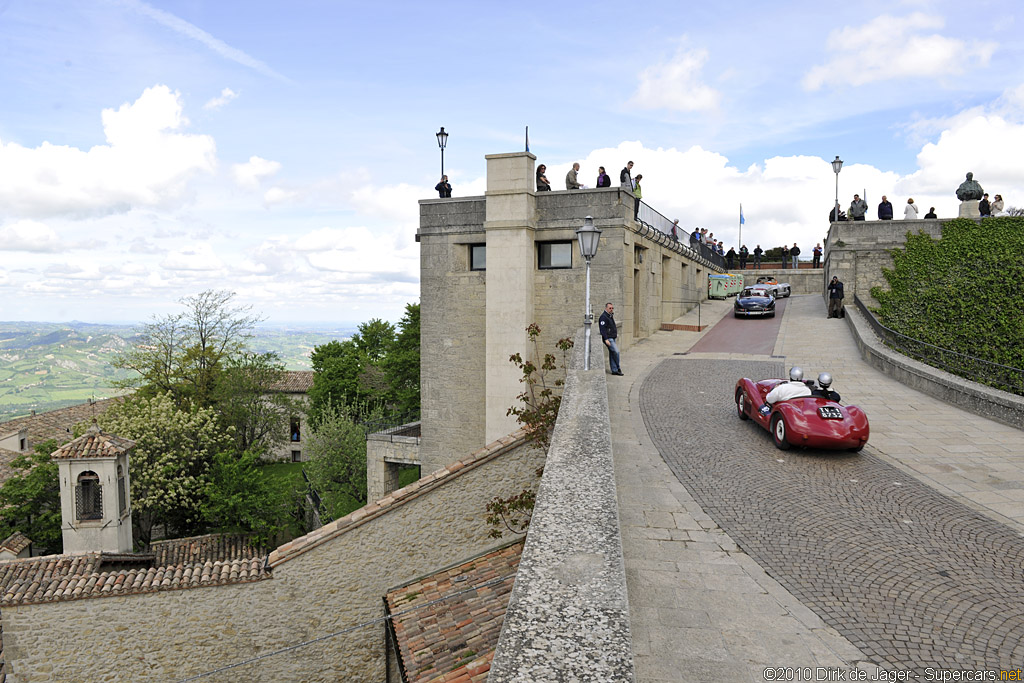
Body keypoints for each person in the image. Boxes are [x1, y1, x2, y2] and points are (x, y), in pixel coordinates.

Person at [599, 302, 622, 376]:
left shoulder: (610, 316)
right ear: (606, 308)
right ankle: (618, 368)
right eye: (610, 308)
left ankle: (614, 370)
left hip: (612, 337)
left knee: (612, 354)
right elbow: (602, 329)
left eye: (612, 308)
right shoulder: (603, 317)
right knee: (616, 352)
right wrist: (606, 339)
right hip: (609, 339)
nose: (611, 309)